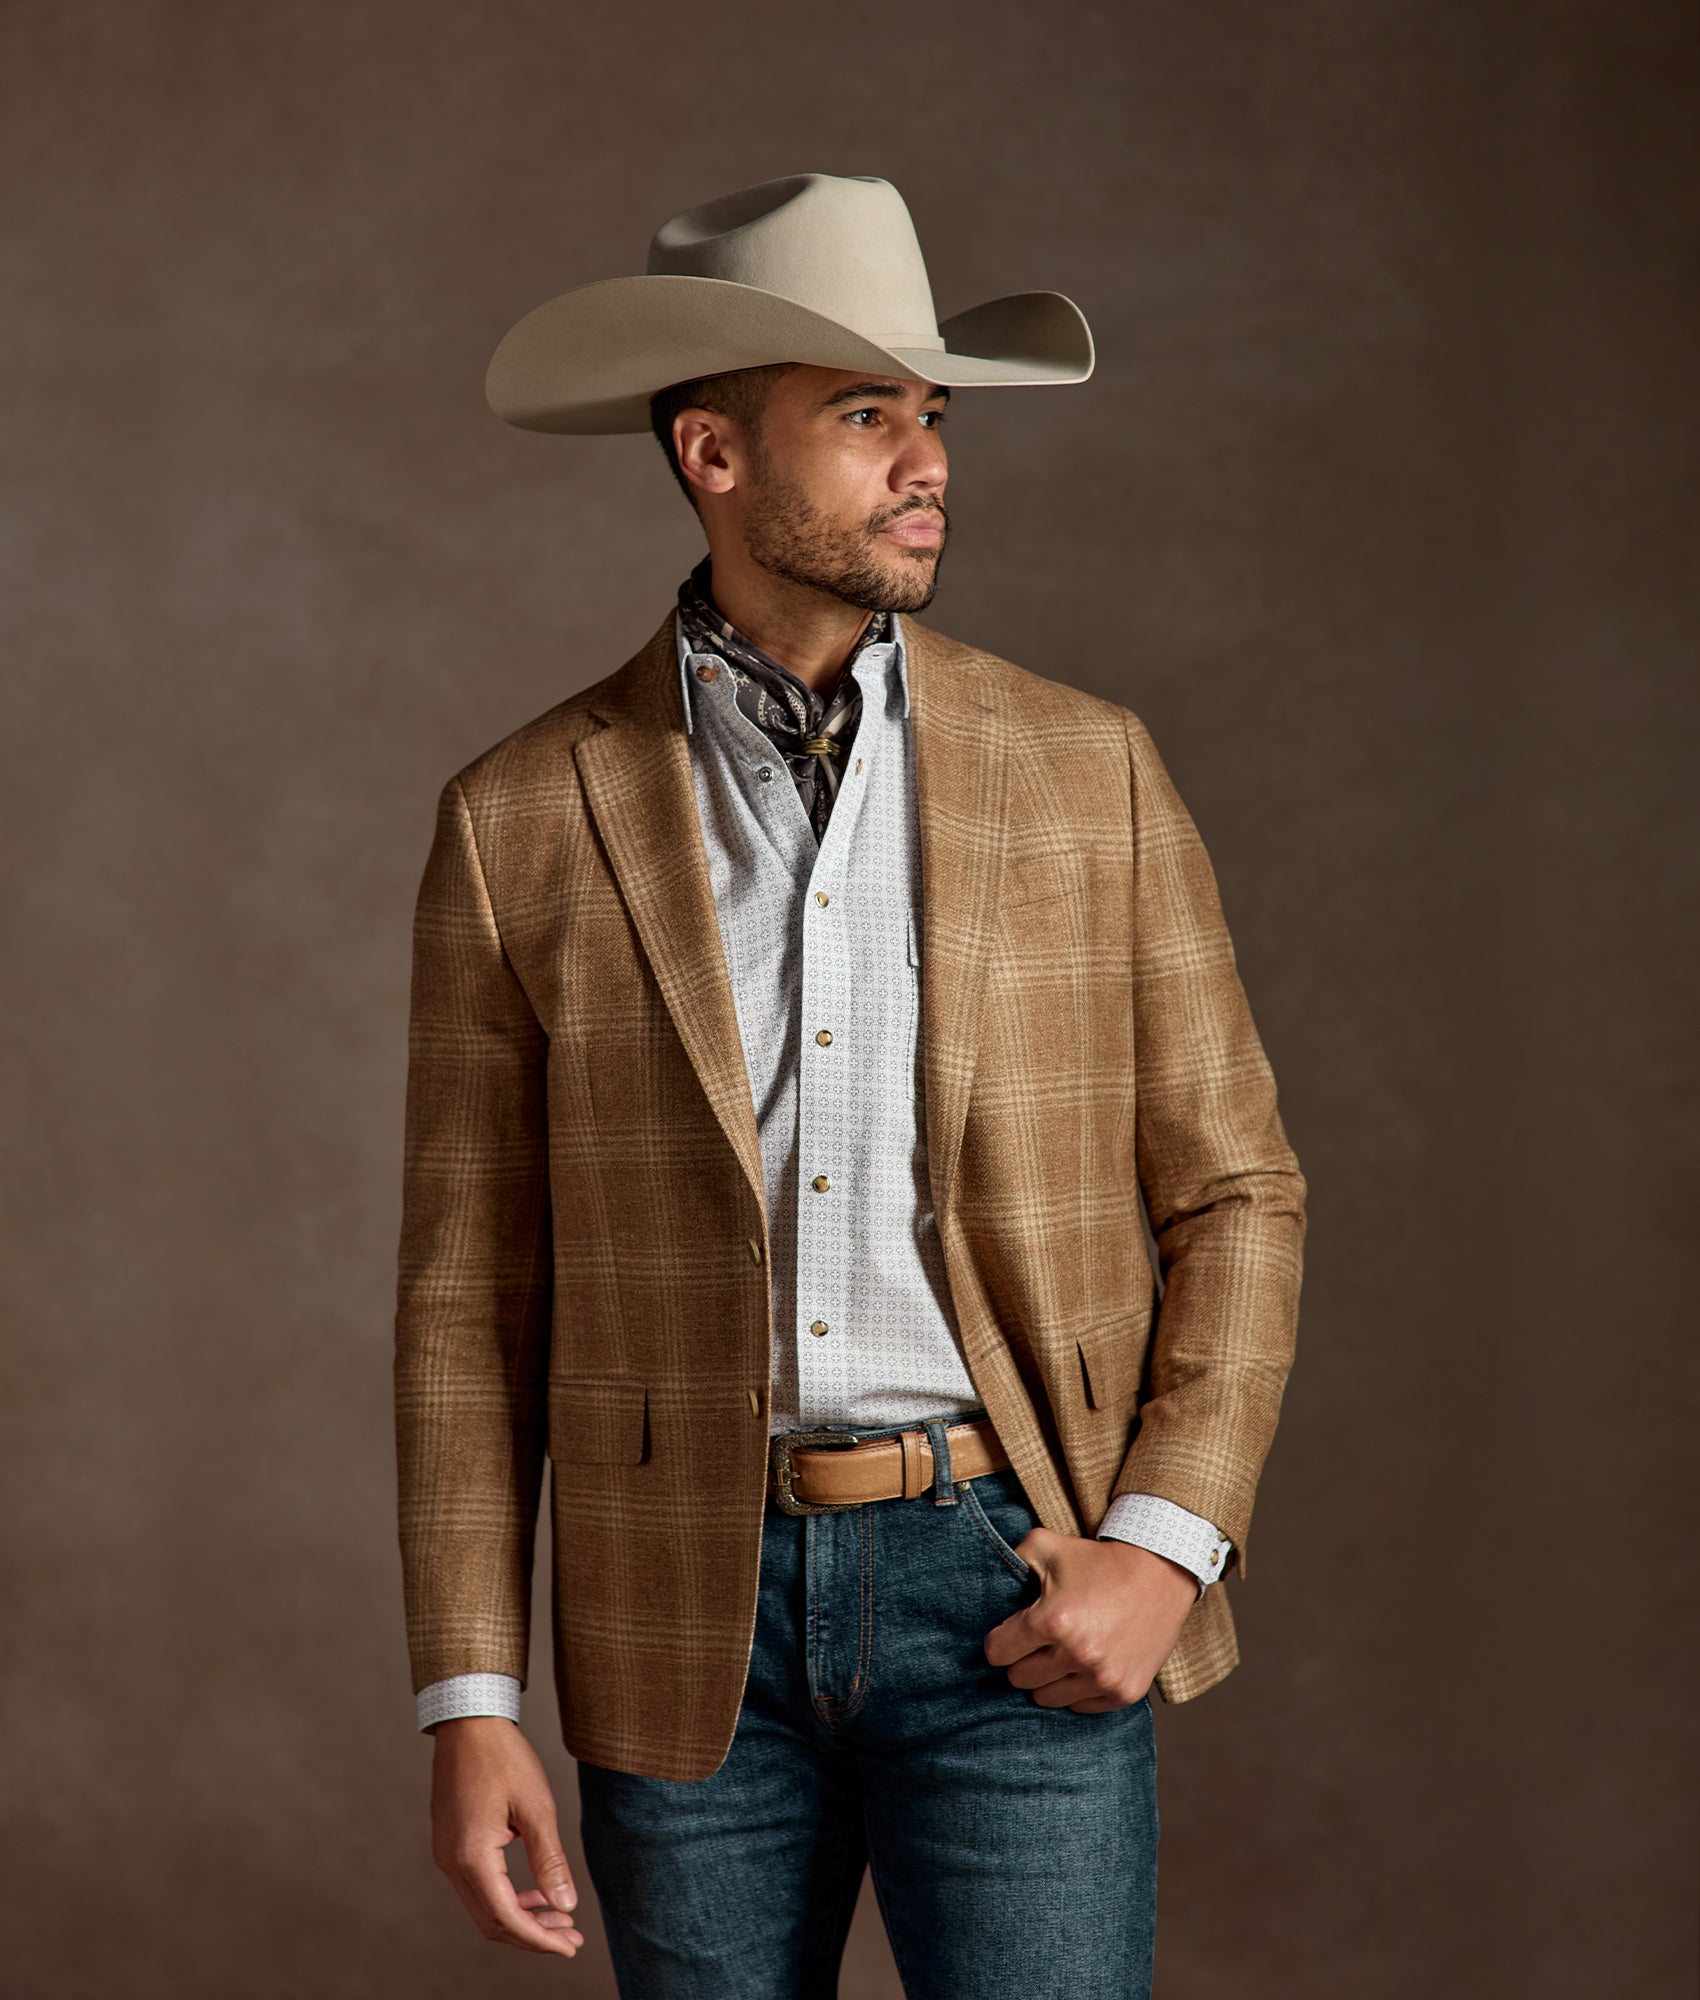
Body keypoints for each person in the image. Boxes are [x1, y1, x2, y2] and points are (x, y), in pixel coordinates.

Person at [394, 171, 1307, 1999]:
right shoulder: (521, 821)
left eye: (933, 415)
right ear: (714, 452)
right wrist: (470, 1698)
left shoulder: (1090, 771)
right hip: (681, 1617)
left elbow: (1238, 1193)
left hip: (1015, 1579)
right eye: (868, 414)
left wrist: (1165, 1544)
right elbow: (465, 1301)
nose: (927, 461)